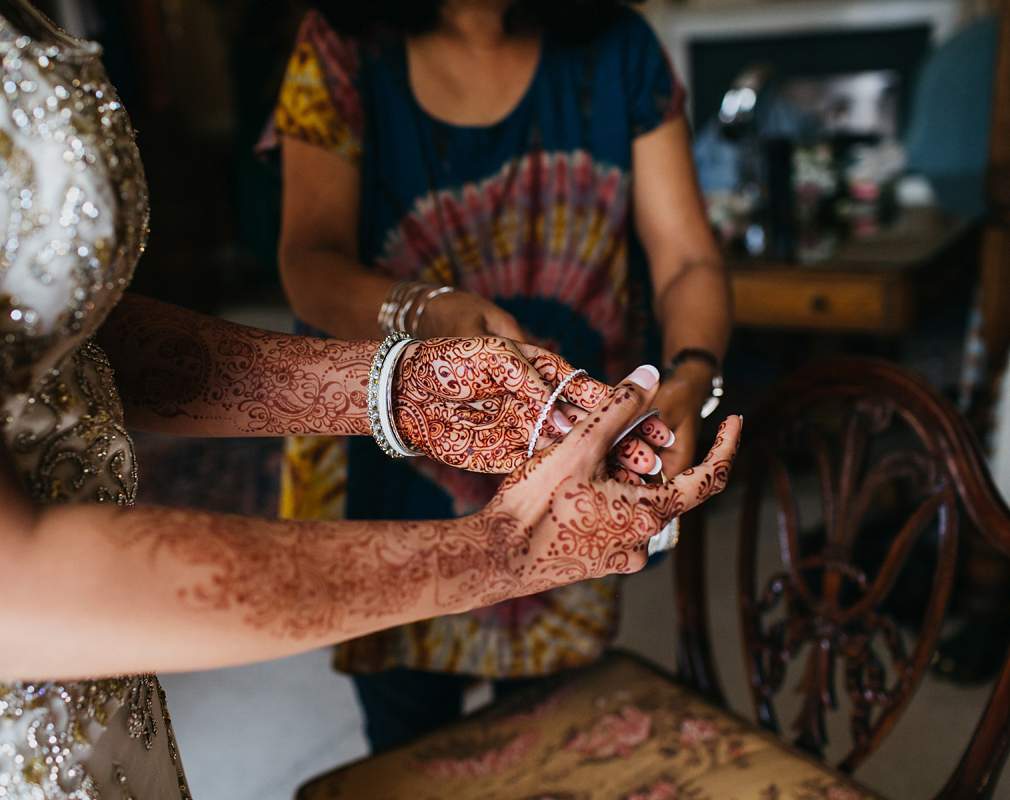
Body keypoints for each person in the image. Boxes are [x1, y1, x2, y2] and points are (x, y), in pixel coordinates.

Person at [0, 0, 740, 797]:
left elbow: (54, 344)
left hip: (90, 693)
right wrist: (503, 547)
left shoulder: (616, 48)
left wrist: (408, 387)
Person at [265, 0, 731, 750]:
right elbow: (308, 263)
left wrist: (690, 375)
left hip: (572, 462)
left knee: (552, 735)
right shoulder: (342, 47)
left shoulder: (623, 49)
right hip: (386, 464)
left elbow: (688, 258)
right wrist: (433, 313)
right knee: (408, 742)